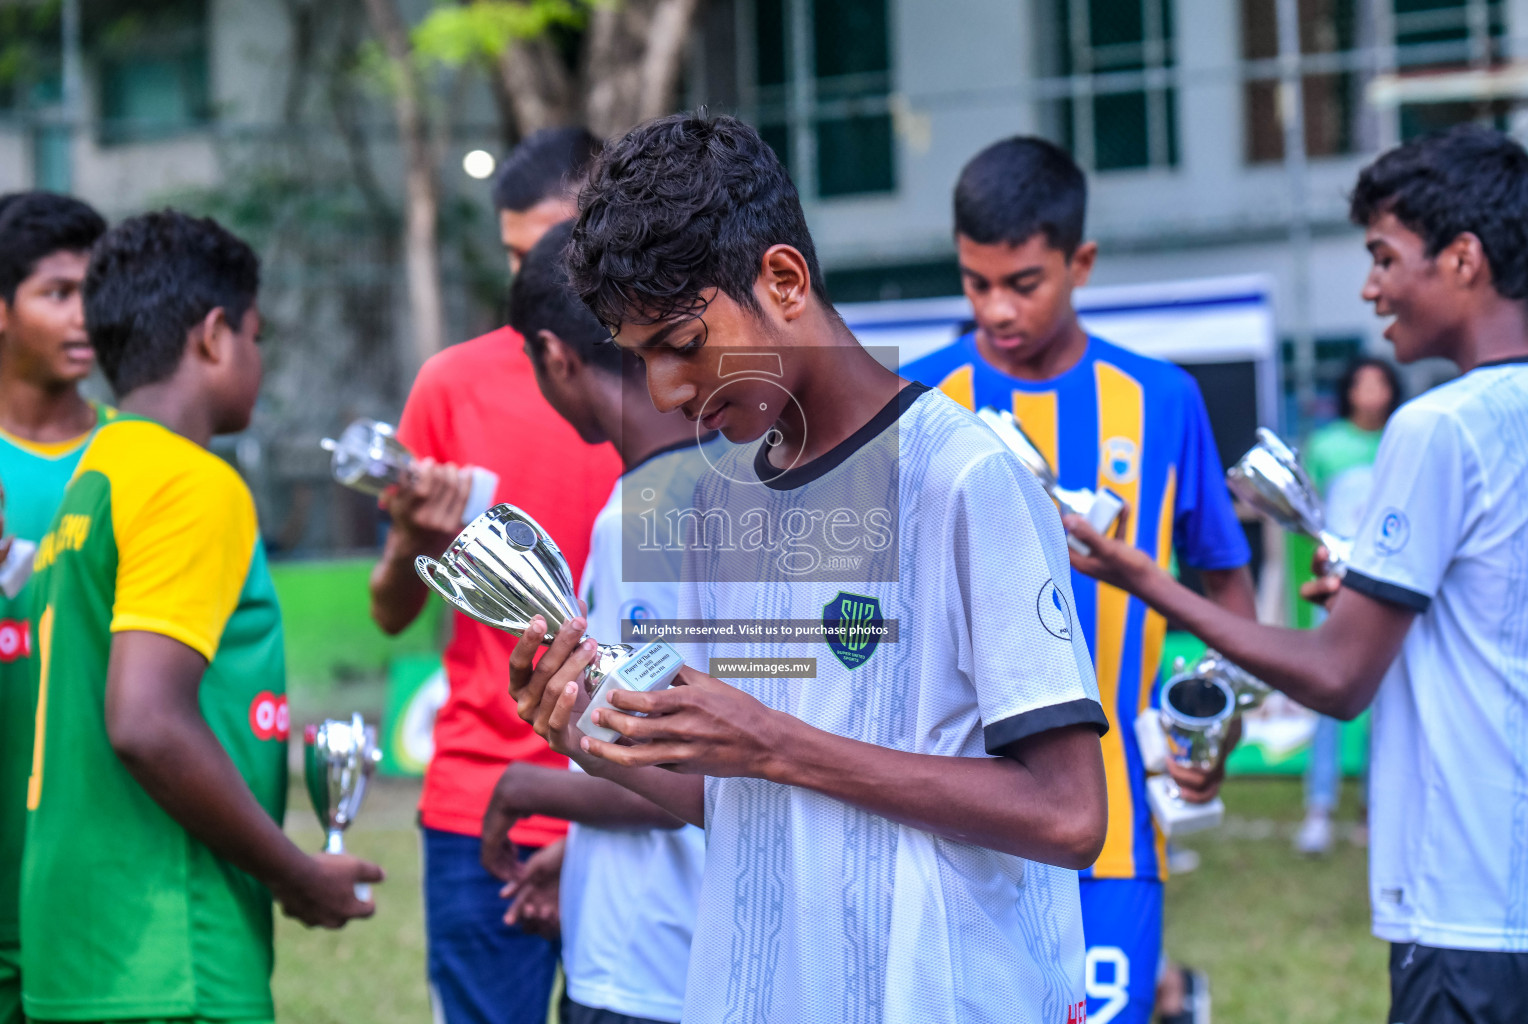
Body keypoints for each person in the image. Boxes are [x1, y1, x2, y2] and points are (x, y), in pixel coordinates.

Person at [510, 112, 1108, 1024]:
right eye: (641, 361)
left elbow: (1069, 818)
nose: (668, 393)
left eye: (681, 344)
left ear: (783, 280)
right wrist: (593, 734)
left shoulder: (964, 480)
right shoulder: (720, 503)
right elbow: (747, 803)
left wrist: (777, 745)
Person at [1064, 125, 1528, 1023]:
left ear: (1463, 259)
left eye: (1385, 257)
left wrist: (1141, 576)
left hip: (1467, 907)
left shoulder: (1440, 427)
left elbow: (1338, 677)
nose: (1370, 287)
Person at [901, 136, 1256, 1024]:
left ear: (1080, 262)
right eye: (975, 282)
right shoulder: (915, 402)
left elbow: (1228, 594)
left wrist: (1209, 736)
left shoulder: (1163, 400)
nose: (994, 308)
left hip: (1116, 828)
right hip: (955, 822)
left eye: (1022, 282)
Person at [19, 210, 380, 1024]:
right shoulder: (192, 482)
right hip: (166, 952)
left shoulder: (98, 471)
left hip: (76, 951)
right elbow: (144, 722)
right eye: (257, 337)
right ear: (215, 335)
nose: (259, 359)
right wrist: (292, 870)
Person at [367, 127, 621, 1023]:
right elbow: (392, 610)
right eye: (516, 257)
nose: (529, 282)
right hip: (483, 807)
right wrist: (409, 538)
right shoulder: (450, 384)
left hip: (643, 800)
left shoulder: (673, 387)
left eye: (549, 251)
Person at [479, 221, 707, 1024]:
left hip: (655, 966)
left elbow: (676, 770)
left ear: (556, 355)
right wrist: (576, 851)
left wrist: (525, 786)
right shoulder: (731, 482)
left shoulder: (646, 513)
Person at [0, 191, 109, 1024]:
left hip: (90, 868)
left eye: (92, 293)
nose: (83, 317)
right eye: (57, 292)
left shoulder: (127, 456)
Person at [1294, 355, 1402, 856]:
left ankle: (1375, 811)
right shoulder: (1328, 444)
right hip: (1335, 586)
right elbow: (1308, 512)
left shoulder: (1404, 437)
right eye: (1363, 383)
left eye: (1380, 382)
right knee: (1328, 699)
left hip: (1389, 589)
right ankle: (1319, 806)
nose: (1372, 392)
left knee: (1388, 704)